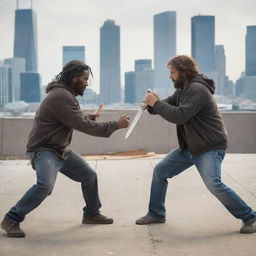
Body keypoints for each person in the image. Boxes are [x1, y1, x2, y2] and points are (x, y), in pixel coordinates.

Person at [1, 60, 130, 238]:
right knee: (45, 185)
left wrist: (89, 117)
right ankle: (11, 218)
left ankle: (91, 214)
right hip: (44, 150)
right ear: (74, 77)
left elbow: (73, 119)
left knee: (89, 176)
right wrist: (116, 124)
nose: (86, 82)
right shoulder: (61, 96)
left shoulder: (65, 94)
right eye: (84, 79)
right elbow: (84, 126)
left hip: (59, 149)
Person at [135, 55, 256, 234]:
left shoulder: (197, 89)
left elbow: (180, 115)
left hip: (209, 146)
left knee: (214, 184)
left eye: (172, 72)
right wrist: (152, 103)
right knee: (160, 171)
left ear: (183, 72)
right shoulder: (183, 89)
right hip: (191, 146)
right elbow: (166, 106)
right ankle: (156, 214)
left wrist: (157, 104)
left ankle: (250, 217)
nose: (170, 76)